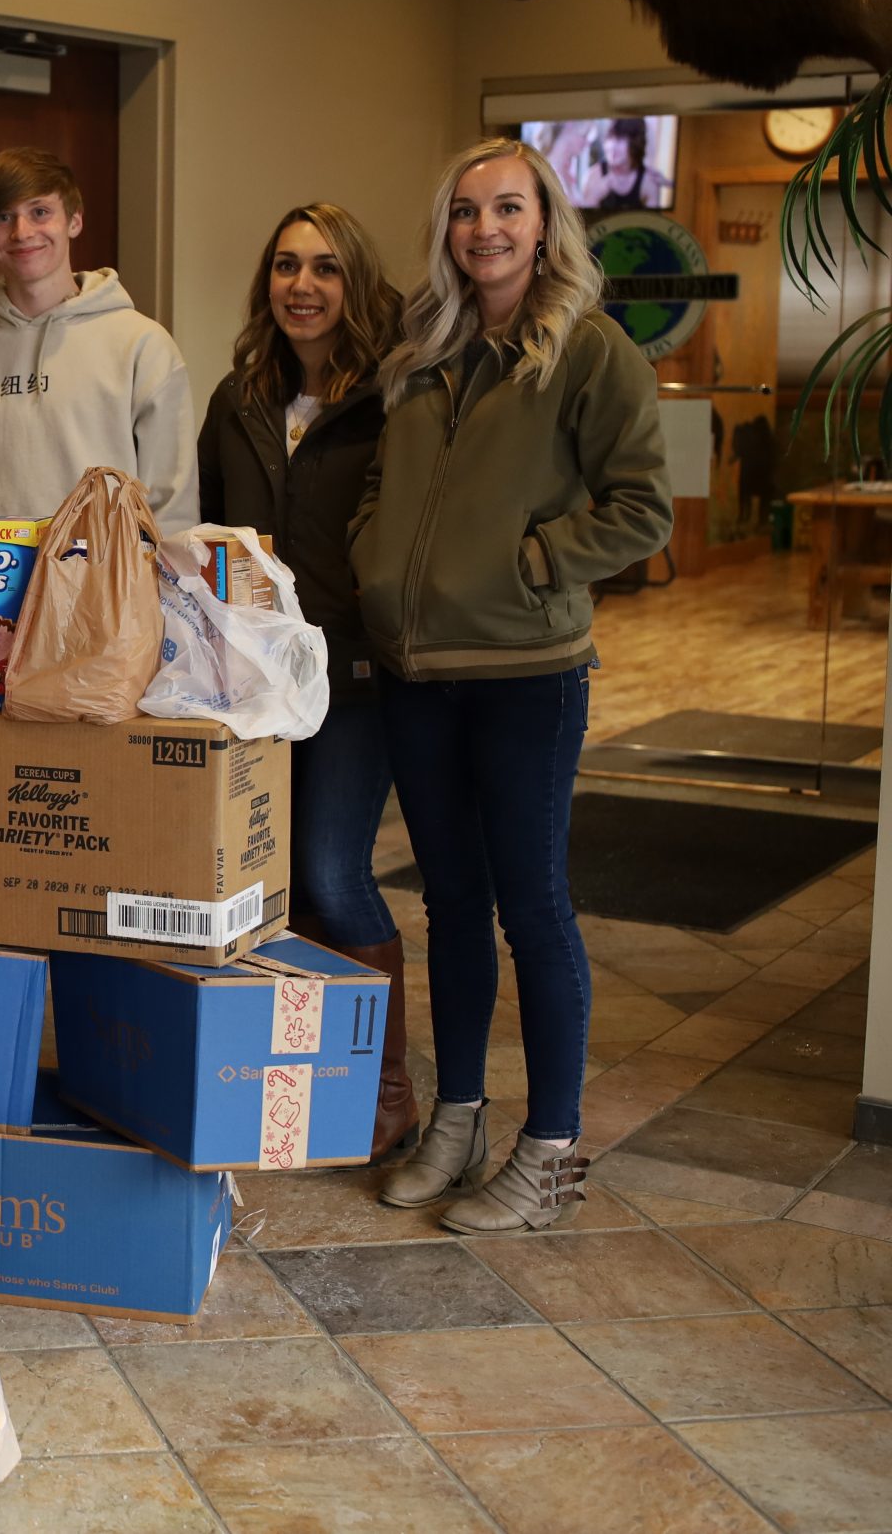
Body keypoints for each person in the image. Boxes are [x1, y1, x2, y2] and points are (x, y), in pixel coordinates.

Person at [353, 137, 671, 1233]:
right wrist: (373, 556)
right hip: (416, 673)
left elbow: (642, 510)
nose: (483, 229)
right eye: (463, 212)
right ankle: (460, 1118)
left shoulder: (587, 351)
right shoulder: (423, 346)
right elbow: (385, 489)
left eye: (506, 209)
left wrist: (532, 564)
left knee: (532, 906)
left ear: (544, 224)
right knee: (448, 906)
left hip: (526, 674)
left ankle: (547, 1148)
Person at [196, 203, 414, 1163]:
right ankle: (301, 1079)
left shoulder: (392, 399)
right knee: (273, 887)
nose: (303, 285)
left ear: (355, 283)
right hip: (252, 685)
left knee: (332, 870)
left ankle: (388, 1085)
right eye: (286, 266)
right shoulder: (236, 399)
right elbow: (210, 531)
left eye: (325, 267)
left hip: (356, 677)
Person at [0, 147, 195, 527]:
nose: (22, 232)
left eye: (40, 212)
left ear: (74, 220)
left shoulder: (143, 346)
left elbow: (172, 506)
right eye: (3, 216)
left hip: (106, 582)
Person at [579, 117, 670, 213]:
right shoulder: (593, 175)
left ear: (635, 142)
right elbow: (583, 220)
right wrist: (595, 196)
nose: (612, 146)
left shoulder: (648, 180)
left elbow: (654, 223)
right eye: (610, 138)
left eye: (620, 139)